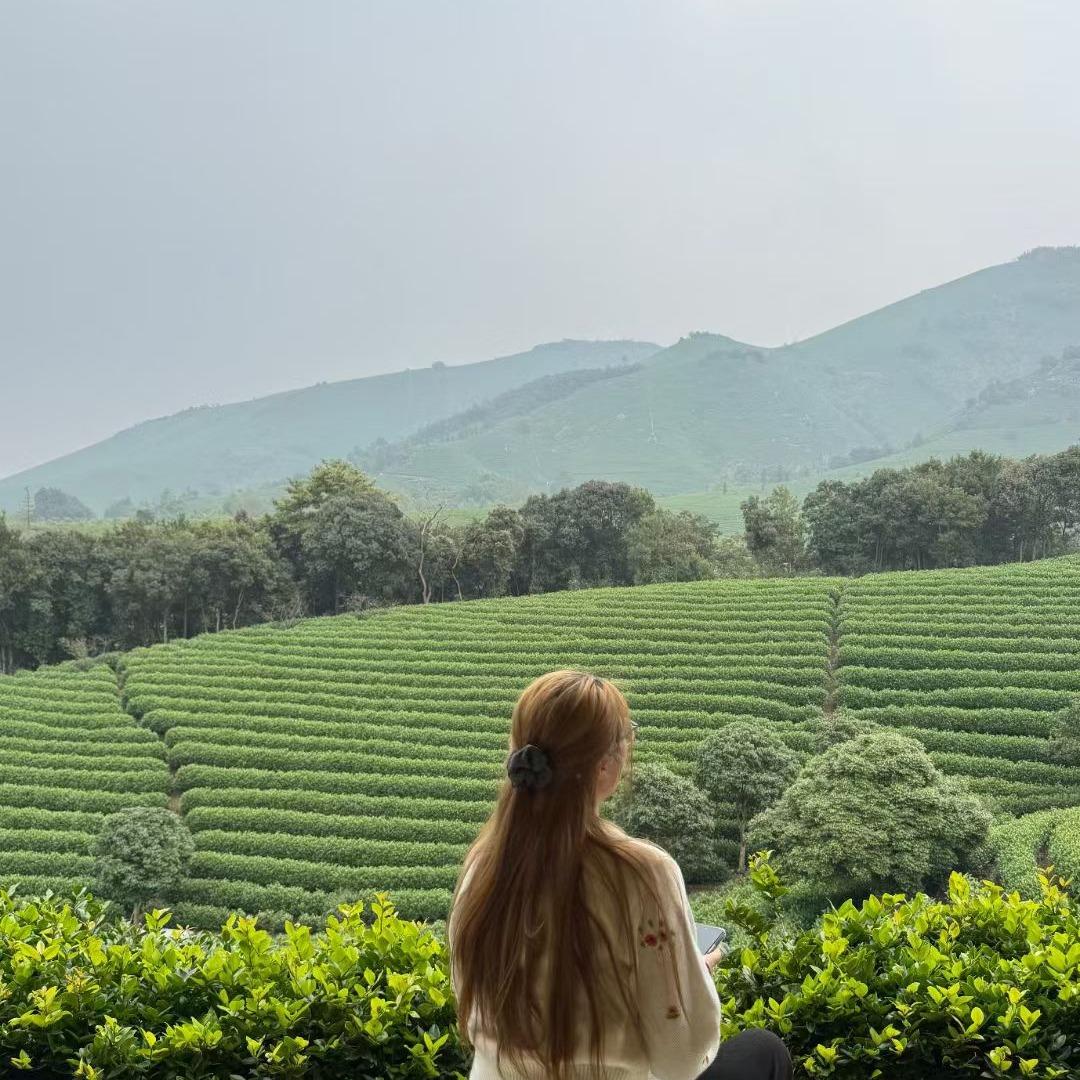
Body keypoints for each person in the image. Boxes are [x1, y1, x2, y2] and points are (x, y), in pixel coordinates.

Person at [448, 670, 791, 1080]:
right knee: (765, 1052)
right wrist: (694, 976)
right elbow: (679, 1059)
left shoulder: (483, 866)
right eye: (627, 737)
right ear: (605, 766)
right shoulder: (643, 874)